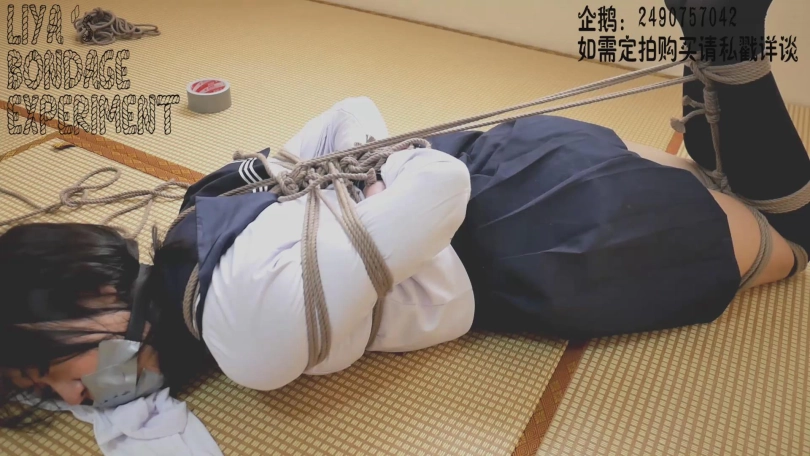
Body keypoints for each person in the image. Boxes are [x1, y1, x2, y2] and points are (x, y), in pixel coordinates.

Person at [1, 0, 806, 428]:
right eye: (52, 397)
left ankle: (727, 57)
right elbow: (352, 117)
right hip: (526, 156)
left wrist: (372, 203)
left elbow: (437, 185)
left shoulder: (246, 339)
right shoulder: (200, 215)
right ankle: (716, 59)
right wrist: (357, 197)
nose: (75, 400)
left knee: (796, 243)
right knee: (718, 185)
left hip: (561, 241)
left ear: (90, 293)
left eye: (54, 375)